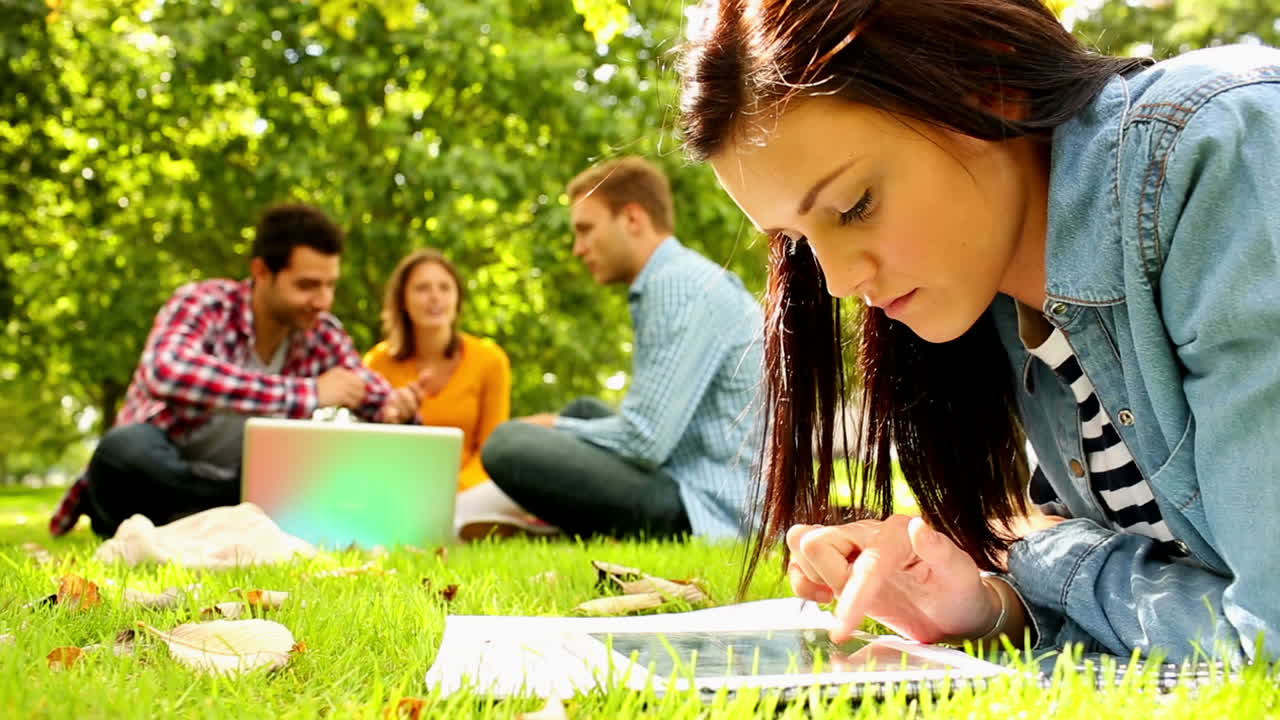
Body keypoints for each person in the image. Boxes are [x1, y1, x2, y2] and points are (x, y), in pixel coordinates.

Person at [678, 0, 1280, 663]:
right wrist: (985, 606)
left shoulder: (1224, 148)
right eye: (797, 241)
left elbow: (1267, 636)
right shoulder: (1001, 301)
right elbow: (1183, 588)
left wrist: (1042, 553)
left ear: (991, 85)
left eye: (855, 206)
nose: (840, 281)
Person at [49, 203, 425, 538]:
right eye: (307, 286)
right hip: (161, 475)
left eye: (330, 285)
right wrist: (307, 393)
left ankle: (215, 517)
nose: (322, 301)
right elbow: (166, 371)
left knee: (309, 471)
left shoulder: (322, 334)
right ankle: (226, 516)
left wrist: (395, 409)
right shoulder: (205, 303)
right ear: (262, 271)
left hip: (242, 485)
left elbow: (369, 392)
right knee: (124, 450)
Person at [477, 156, 763, 541]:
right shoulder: (681, 277)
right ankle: (540, 522)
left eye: (586, 230)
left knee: (507, 444)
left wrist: (553, 426)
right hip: (692, 474)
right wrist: (565, 425)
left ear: (632, 219)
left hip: (713, 509)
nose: (578, 249)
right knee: (582, 411)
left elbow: (645, 440)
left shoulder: (678, 285)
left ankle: (504, 517)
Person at [363, 249, 512, 493]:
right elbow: (368, 450)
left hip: (470, 491)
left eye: (445, 288)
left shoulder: (490, 360)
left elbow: (492, 449)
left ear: (457, 298)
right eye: (422, 288)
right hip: (397, 489)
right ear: (402, 300)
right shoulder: (377, 363)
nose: (435, 297)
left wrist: (454, 489)